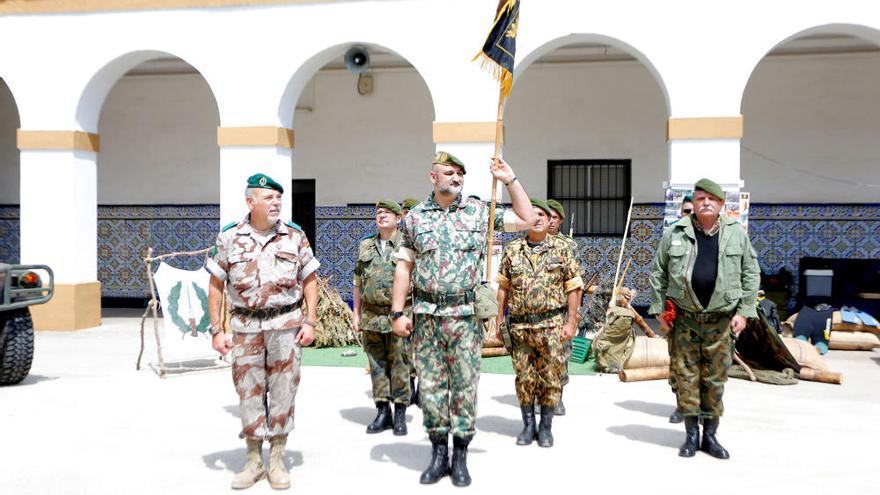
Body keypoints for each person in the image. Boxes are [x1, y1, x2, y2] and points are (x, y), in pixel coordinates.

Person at [390, 151, 536, 487]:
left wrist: (510, 180)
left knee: (464, 387)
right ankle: (438, 452)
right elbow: (404, 266)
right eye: (449, 173)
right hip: (426, 316)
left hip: (465, 317)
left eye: (460, 174)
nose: (456, 179)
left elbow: (527, 219)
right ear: (433, 177)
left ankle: (460, 456)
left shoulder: (479, 211)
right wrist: (398, 312)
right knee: (430, 387)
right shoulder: (414, 218)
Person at [206, 173, 319, 490]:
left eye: (278, 198)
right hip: (245, 329)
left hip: (285, 327)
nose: (276, 203)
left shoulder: (294, 236)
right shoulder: (229, 237)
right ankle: (254, 460)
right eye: (268, 198)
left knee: (284, 390)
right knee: (249, 391)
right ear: (249, 201)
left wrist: (310, 321)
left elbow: (309, 280)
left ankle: (277, 459)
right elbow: (215, 286)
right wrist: (217, 330)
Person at [648, 178, 760, 460]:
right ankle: (690, 436)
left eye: (712, 199)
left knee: (715, 378)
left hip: (721, 321)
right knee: (686, 377)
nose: (706, 202)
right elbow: (657, 273)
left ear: (722, 204)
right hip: (684, 320)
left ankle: (710, 435)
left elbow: (751, 272)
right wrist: (660, 310)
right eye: (700, 199)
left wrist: (745, 312)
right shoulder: (675, 233)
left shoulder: (737, 234)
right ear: (694, 204)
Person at [495, 199, 583, 448]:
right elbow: (503, 287)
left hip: (552, 325)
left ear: (549, 221)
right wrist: (499, 321)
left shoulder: (562, 249)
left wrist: (571, 321)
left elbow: (573, 287)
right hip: (520, 327)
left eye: (543, 214)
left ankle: (545, 427)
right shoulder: (512, 250)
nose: (538, 217)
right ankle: (527, 426)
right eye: (532, 213)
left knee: (550, 377)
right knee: (524, 377)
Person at [353, 200, 411, 435]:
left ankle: (399, 415)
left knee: (399, 364)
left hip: (398, 314)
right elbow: (358, 282)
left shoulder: (407, 245)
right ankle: (382, 411)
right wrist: (355, 313)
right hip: (370, 315)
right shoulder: (365, 245)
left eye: (387, 213)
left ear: (399, 219)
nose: (382, 216)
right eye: (378, 213)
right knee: (377, 366)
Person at [545, 199, 580, 416]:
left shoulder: (568, 246)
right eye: (546, 216)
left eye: (554, 218)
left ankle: (557, 396)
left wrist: (573, 316)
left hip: (560, 310)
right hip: (536, 311)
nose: (549, 221)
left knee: (561, 354)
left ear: (560, 221)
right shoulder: (530, 242)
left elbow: (575, 282)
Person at [668, 192, 695, 424]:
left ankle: (701, 409)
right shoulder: (673, 236)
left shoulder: (715, 236)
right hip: (678, 311)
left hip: (709, 314)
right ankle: (681, 405)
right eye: (687, 211)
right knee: (678, 360)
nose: (691, 215)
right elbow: (661, 273)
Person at [594, 287, 657, 373]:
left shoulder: (615, 312)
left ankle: (608, 362)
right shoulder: (629, 314)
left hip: (603, 355)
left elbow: (603, 332)